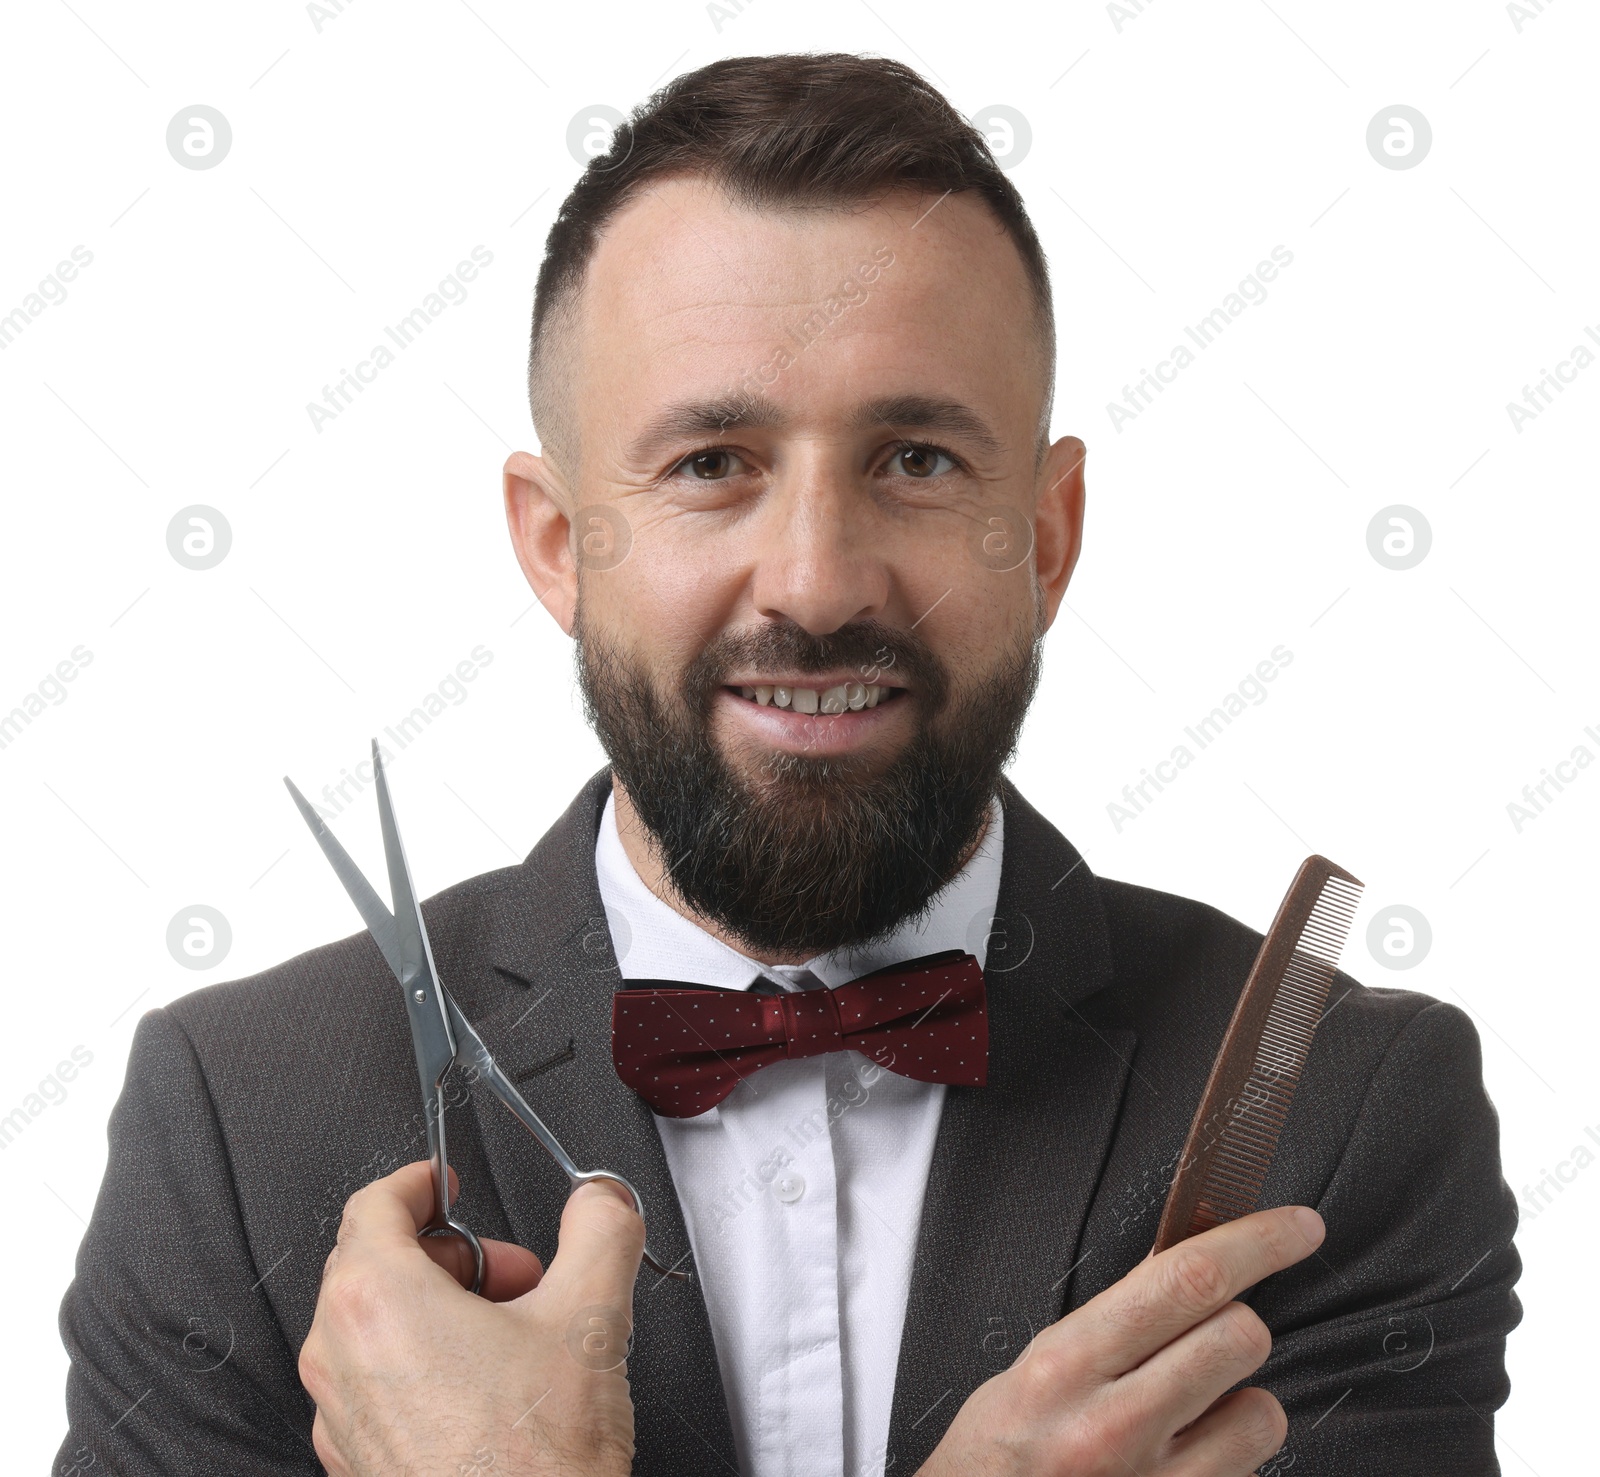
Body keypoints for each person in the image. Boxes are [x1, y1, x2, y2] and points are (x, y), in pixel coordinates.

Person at [56, 52, 1520, 1477]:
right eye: (711, 463)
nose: (816, 581)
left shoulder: (1340, 1104)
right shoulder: (243, 1117)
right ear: (558, 545)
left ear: (1050, 535)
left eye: (918, 460)